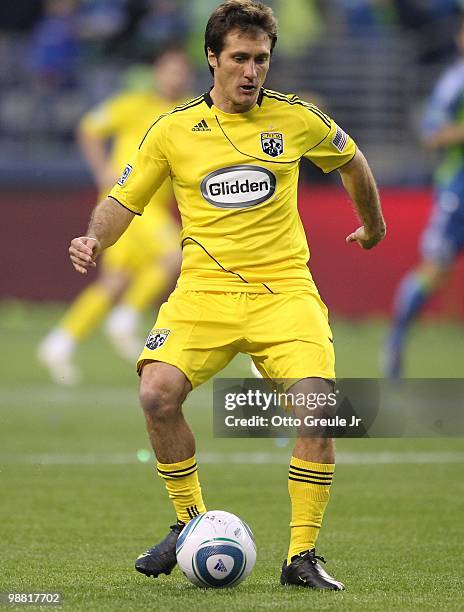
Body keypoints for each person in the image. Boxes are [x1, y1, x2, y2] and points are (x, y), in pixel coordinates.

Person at [69, 0, 385, 590]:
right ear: (211, 58)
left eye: (261, 59)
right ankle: (189, 524)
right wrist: (94, 238)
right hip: (203, 293)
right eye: (239, 58)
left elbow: (353, 161)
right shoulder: (173, 130)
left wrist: (373, 225)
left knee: (318, 408)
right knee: (157, 394)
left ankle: (302, 557)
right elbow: (124, 200)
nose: (251, 71)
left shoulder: (298, 120)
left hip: (284, 292)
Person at [39, 48, 191, 385]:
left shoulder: (188, 112)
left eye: (181, 71)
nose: (175, 76)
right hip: (126, 204)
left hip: (152, 205)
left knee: (115, 282)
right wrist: (101, 170)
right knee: (173, 254)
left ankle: (60, 342)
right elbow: (89, 127)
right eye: (169, 69)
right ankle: (126, 317)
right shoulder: (133, 105)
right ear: (157, 72)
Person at [384, 15, 464, 379]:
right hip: (458, 192)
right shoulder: (454, 83)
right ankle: (395, 342)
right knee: (436, 271)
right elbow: (431, 135)